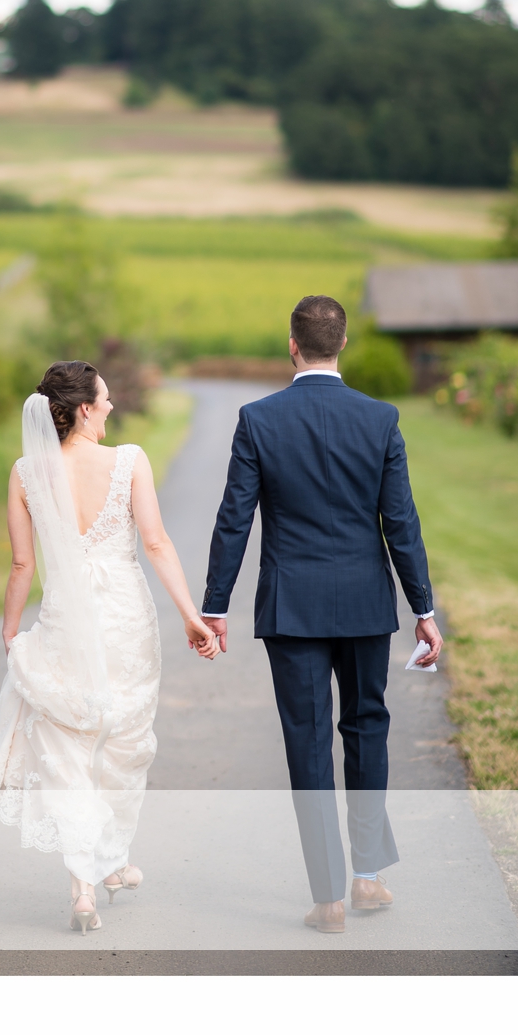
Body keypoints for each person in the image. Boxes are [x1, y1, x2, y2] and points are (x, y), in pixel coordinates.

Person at [199, 295, 441, 935]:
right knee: (367, 729)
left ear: (292, 344)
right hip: (365, 602)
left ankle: (329, 898)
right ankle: (368, 877)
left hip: (292, 608)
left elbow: (234, 519)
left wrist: (214, 605)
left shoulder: (259, 419)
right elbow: (401, 522)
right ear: (342, 344)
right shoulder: (380, 418)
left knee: (307, 742)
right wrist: (424, 607)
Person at [0, 361, 220, 935]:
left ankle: (87, 886)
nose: (110, 407)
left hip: (63, 623)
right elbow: (156, 542)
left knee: (68, 744)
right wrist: (191, 616)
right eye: (104, 400)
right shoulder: (129, 461)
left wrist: (11, 631)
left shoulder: (25, 473)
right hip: (125, 624)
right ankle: (106, 861)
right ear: (84, 409)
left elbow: (21, 564)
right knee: (124, 741)